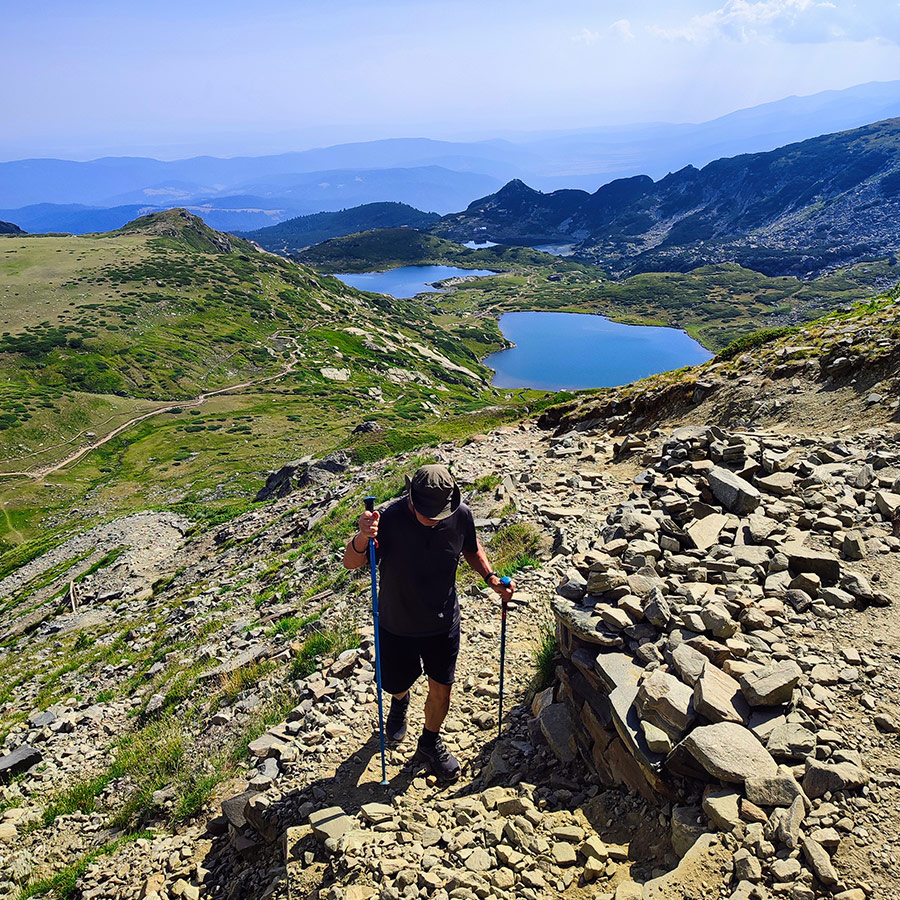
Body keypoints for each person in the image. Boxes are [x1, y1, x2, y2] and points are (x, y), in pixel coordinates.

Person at [343, 463, 516, 780]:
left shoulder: (460, 514)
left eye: (441, 511)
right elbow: (351, 562)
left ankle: (429, 741)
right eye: (430, 512)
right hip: (396, 624)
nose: (437, 518)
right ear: (411, 498)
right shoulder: (389, 521)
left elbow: (472, 548)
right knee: (395, 683)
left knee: (442, 690)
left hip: (443, 622)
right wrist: (360, 536)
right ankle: (400, 702)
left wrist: (490, 577)